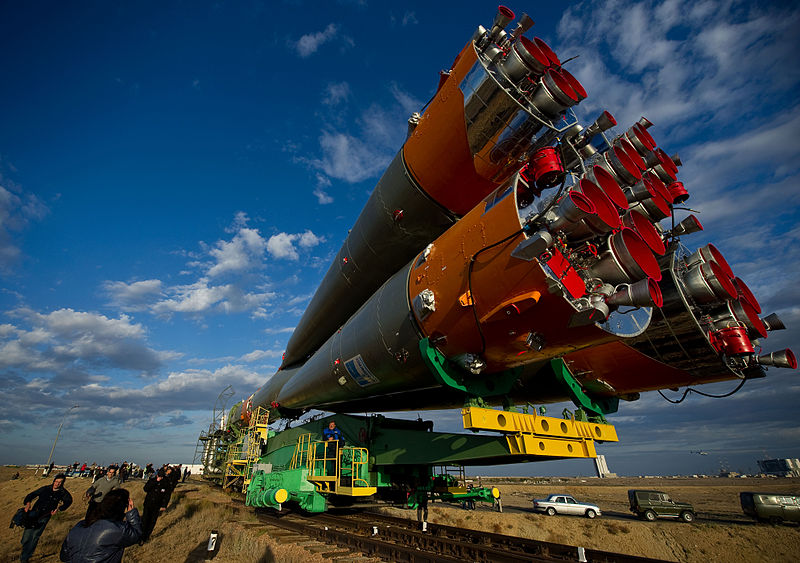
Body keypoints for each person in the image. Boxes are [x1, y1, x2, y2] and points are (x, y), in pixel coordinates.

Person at [60, 488, 142, 562]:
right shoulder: (116, 529)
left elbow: (64, 556)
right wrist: (131, 513)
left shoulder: (79, 526)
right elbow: (136, 535)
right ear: (122, 507)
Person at [19, 473, 73, 562]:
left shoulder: (63, 492)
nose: (57, 484)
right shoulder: (45, 488)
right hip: (34, 514)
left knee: (35, 536)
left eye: (60, 482)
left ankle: (25, 558)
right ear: (54, 481)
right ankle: (25, 550)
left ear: (62, 483)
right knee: (26, 537)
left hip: (45, 516)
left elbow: (68, 501)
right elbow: (31, 495)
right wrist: (28, 503)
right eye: (56, 481)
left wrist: (59, 509)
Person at [140, 469, 171, 543]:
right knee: (145, 520)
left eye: (161, 477)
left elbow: (167, 495)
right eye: (159, 476)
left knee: (152, 521)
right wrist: (155, 481)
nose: (160, 478)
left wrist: (164, 505)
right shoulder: (152, 480)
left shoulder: (166, 483)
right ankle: (141, 536)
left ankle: (146, 537)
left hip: (157, 505)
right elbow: (145, 489)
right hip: (148, 504)